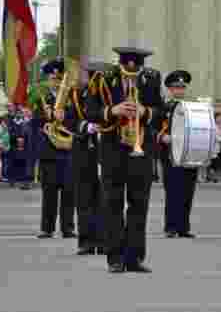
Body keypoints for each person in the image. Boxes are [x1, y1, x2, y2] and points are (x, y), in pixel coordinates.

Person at [86, 46, 164, 273]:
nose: (131, 73)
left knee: (139, 204)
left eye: (136, 69)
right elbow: (91, 111)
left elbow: (160, 112)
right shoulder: (103, 80)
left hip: (141, 150)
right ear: (120, 65)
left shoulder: (150, 80)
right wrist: (113, 110)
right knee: (113, 204)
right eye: (127, 69)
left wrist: (145, 112)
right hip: (113, 149)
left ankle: (135, 257)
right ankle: (115, 257)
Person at [71, 60, 110, 255]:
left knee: (104, 198)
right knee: (84, 198)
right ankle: (86, 241)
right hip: (84, 150)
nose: (81, 78)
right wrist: (85, 127)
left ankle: (103, 241)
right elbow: (71, 119)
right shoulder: (76, 95)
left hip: (105, 151)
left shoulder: (107, 96)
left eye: (85, 74)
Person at [35, 59, 76, 240]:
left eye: (60, 78)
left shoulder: (72, 97)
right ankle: (47, 228)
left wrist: (65, 116)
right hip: (49, 152)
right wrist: (48, 116)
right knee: (49, 193)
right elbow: (35, 122)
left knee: (69, 192)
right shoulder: (42, 98)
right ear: (48, 79)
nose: (57, 81)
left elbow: (78, 119)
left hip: (68, 151)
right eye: (53, 78)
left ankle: (68, 228)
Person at [158, 70, 199, 238]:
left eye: (182, 87)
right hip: (170, 155)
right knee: (173, 190)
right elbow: (153, 128)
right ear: (170, 89)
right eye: (176, 87)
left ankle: (183, 227)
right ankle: (171, 226)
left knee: (188, 190)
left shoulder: (192, 108)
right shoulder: (163, 108)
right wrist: (163, 137)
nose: (180, 90)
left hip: (189, 154)